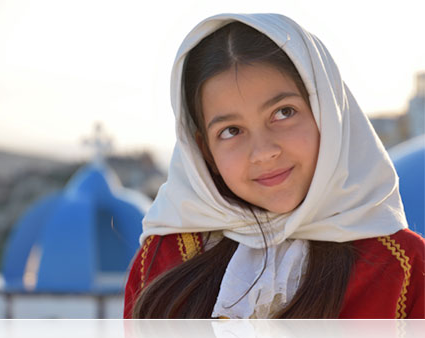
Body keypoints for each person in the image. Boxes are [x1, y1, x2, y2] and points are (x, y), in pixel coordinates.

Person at [124, 13, 424, 319]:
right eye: (230, 131)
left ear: (328, 115)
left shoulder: (403, 267)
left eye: (284, 112)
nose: (264, 152)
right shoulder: (164, 262)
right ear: (205, 151)